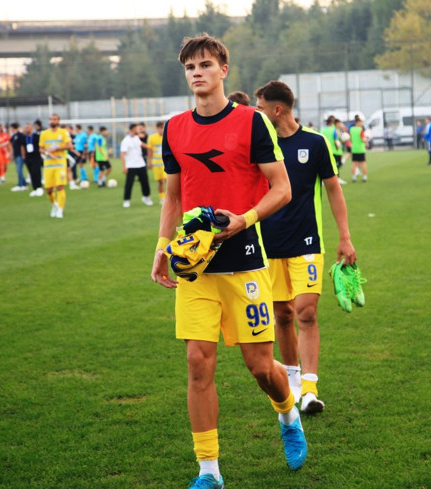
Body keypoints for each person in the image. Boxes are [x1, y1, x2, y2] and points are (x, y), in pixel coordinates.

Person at [150, 34, 305, 488]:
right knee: (198, 363)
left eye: (205, 64)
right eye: (190, 67)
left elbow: (282, 188)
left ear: (223, 70)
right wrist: (161, 247)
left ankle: (287, 414)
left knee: (261, 368)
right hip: (195, 268)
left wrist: (245, 220)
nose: (197, 72)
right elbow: (173, 197)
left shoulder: (253, 122)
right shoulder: (174, 128)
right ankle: (209, 470)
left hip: (245, 262)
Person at [255, 80, 357, 414]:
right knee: (282, 315)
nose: (257, 113)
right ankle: (294, 382)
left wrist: (345, 236)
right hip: (269, 245)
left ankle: (310, 390)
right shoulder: (259, 145)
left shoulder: (315, 142)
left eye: (260, 108)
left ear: (277, 110)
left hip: (307, 242)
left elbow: (333, 189)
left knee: (306, 312)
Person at [39, 114, 72, 218]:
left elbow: (69, 146)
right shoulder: (44, 134)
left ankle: (60, 210)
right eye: (51, 119)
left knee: (60, 187)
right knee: (49, 190)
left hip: (60, 164)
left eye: (55, 119)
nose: (52, 121)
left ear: (58, 121)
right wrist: (48, 153)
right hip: (48, 165)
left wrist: (57, 149)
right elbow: (41, 148)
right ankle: (54, 205)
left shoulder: (63, 132)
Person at [120, 123, 153, 208]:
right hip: (131, 166)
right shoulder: (125, 140)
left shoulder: (136, 138)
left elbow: (142, 145)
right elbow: (122, 154)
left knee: (145, 182)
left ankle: (146, 197)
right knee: (129, 184)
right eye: (137, 129)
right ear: (133, 129)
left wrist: (150, 147)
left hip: (141, 164)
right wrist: (124, 166)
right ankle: (126, 200)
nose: (139, 130)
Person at [320, 116, 346, 185]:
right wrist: (338, 147)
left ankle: (323, 180)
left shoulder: (322, 129)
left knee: (325, 166)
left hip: (324, 150)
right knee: (336, 166)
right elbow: (335, 140)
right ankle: (337, 179)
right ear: (331, 122)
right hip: (334, 150)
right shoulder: (333, 130)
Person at [22, 123, 44, 197]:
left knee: (36, 171)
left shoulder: (36, 136)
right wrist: (23, 156)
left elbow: (41, 145)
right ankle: (35, 188)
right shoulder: (24, 137)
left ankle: (39, 187)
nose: (27, 129)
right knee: (31, 173)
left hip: (36, 157)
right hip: (28, 157)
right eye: (26, 127)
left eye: (28, 127)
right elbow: (22, 147)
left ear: (31, 128)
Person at [147, 121, 167, 203]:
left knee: (168, 181)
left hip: (166, 163)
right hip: (156, 164)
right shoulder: (152, 138)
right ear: (157, 128)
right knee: (160, 181)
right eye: (160, 128)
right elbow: (150, 151)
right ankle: (162, 198)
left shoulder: (168, 136)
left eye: (163, 128)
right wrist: (149, 161)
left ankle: (169, 198)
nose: (161, 130)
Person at [9, 123, 28, 191]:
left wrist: (23, 155)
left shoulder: (20, 135)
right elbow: (10, 143)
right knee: (18, 170)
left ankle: (20, 185)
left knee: (19, 170)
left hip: (20, 155)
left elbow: (22, 145)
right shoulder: (14, 136)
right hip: (16, 155)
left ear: (13, 128)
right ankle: (24, 184)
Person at [349, 115, 368, 182]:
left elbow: (350, 138)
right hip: (360, 149)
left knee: (354, 164)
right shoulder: (360, 130)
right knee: (363, 163)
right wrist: (366, 139)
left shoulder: (351, 129)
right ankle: (364, 177)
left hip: (354, 149)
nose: (362, 124)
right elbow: (363, 139)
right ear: (358, 122)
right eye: (361, 122)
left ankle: (354, 177)